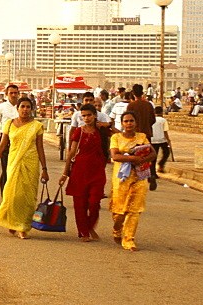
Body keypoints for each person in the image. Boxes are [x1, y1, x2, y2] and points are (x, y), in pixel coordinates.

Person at [0, 97, 48, 239]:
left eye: (28, 107)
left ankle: (23, 227)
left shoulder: (37, 126)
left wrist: (45, 169)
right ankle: (11, 222)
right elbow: (3, 145)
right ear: (18, 108)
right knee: (12, 195)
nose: (25, 109)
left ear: (32, 109)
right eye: (23, 106)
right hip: (14, 162)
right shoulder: (9, 124)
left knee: (27, 197)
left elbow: (40, 148)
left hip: (31, 164)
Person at [60, 104, 109, 242]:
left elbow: (119, 134)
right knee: (80, 204)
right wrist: (65, 174)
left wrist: (107, 124)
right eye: (84, 116)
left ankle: (89, 226)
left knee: (95, 202)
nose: (86, 118)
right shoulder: (79, 132)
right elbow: (71, 152)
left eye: (89, 115)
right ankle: (84, 231)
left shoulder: (102, 131)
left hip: (97, 170)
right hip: (80, 170)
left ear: (95, 115)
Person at [109, 111, 155, 251]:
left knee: (134, 209)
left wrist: (142, 160)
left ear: (136, 123)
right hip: (121, 177)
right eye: (126, 121)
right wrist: (131, 159)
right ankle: (117, 230)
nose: (129, 124)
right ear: (122, 123)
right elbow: (115, 156)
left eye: (131, 121)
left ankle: (129, 239)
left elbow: (152, 153)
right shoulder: (116, 137)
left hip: (140, 176)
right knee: (119, 211)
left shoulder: (142, 137)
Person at [0, 83, 21, 194]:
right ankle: (5, 195)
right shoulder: (0, 107)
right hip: (5, 141)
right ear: (6, 94)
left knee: (18, 170)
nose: (13, 95)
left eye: (15, 93)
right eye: (11, 93)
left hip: (20, 142)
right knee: (6, 170)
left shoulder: (22, 107)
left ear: (18, 94)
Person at [127, 84, 157, 189]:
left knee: (135, 156)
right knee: (149, 155)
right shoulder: (148, 104)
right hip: (147, 133)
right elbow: (153, 119)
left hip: (135, 134)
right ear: (143, 92)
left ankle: (136, 177)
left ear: (133, 93)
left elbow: (128, 120)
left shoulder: (131, 106)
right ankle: (152, 174)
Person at [151, 106, 173, 173]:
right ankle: (161, 164)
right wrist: (168, 140)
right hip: (162, 139)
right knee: (166, 152)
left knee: (154, 156)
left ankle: (153, 171)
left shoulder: (152, 119)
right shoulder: (163, 120)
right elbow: (165, 131)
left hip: (153, 139)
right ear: (161, 112)